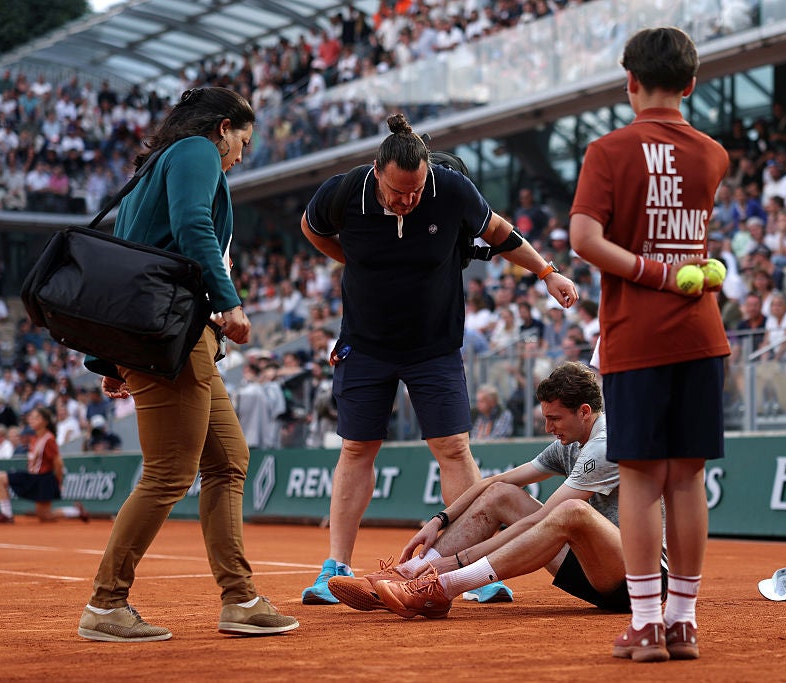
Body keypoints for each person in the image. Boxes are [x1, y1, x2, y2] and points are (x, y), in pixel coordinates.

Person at [299, 113, 578, 604]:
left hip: (433, 346)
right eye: (397, 191)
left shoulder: (450, 190)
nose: (407, 199)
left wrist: (547, 272)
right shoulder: (344, 192)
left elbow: (499, 232)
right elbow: (312, 227)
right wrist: (351, 258)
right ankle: (333, 567)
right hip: (365, 343)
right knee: (357, 449)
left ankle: (478, 569)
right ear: (376, 170)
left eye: (416, 189)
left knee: (453, 447)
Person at [77, 87, 297, 642]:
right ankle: (105, 605)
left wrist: (112, 355)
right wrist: (229, 299)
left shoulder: (156, 165)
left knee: (227, 459)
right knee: (170, 471)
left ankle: (240, 599)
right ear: (223, 127)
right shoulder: (196, 153)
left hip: (159, 337)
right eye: (242, 142)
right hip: (173, 337)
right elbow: (194, 227)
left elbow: (125, 262)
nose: (241, 156)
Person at [569, 27, 729, 663]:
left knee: (639, 480)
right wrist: (677, 267)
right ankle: (684, 620)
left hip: (637, 334)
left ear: (628, 81)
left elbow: (585, 239)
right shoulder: (713, 153)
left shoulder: (608, 150)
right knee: (688, 479)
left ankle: (645, 623)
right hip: (701, 330)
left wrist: (650, 271)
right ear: (690, 85)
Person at [327, 362, 665, 616]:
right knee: (502, 493)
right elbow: (494, 483)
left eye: (555, 419)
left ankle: (440, 586)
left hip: (637, 580)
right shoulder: (572, 440)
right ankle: (410, 574)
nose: (549, 428)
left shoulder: (606, 444)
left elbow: (540, 521)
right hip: (592, 567)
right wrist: (439, 520)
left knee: (570, 512)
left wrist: (454, 563)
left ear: (585, 411)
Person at [0, 406, 89, 523]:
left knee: (45, 516)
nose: (32, 420)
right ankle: (6, 514)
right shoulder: (34, 438)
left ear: (45, 421)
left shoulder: (49, 439)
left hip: (44, 479)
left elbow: (58, 463)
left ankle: (76, 512)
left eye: (36, 418)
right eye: (31, 417)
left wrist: (58, 482)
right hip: (32, 477)